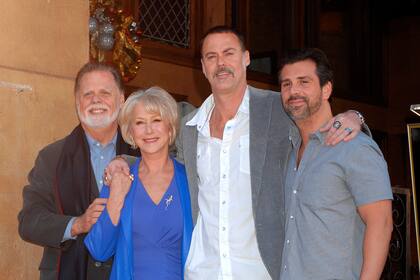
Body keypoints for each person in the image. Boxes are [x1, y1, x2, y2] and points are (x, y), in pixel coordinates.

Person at [106, 26, 366, 280]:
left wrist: (355, 117)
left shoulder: (277, 109)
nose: (221, 63)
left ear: (246, 58)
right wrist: (122, 161)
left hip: (262, 271)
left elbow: (317, 120)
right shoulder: (190, 126)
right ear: (204, 66)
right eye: (212, 56)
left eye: (229, 53)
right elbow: (157, 154)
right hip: (203, 271)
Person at [278, 48, 393, 279]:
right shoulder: (289, 153)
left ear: (326, 89)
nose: (294, 91)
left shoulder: (355, 148)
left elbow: (381, 224)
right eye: (286, 84)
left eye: (304, 82)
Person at [18, 62, 138, 280]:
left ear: (122, 99)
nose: (96, 100)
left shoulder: (141, 153)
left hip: (129, 271)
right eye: (88, 94)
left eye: (105, 93)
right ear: (77, 101)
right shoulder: (51, 157)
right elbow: (29, 222)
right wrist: (77, 224)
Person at [84, 87, 193, 280]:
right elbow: (99, 251)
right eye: (140, 123)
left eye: (157, 120)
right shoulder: (117, 178)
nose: (149, 130)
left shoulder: (191, 181)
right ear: (131, 132)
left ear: (170, 128)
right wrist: (116, 197)